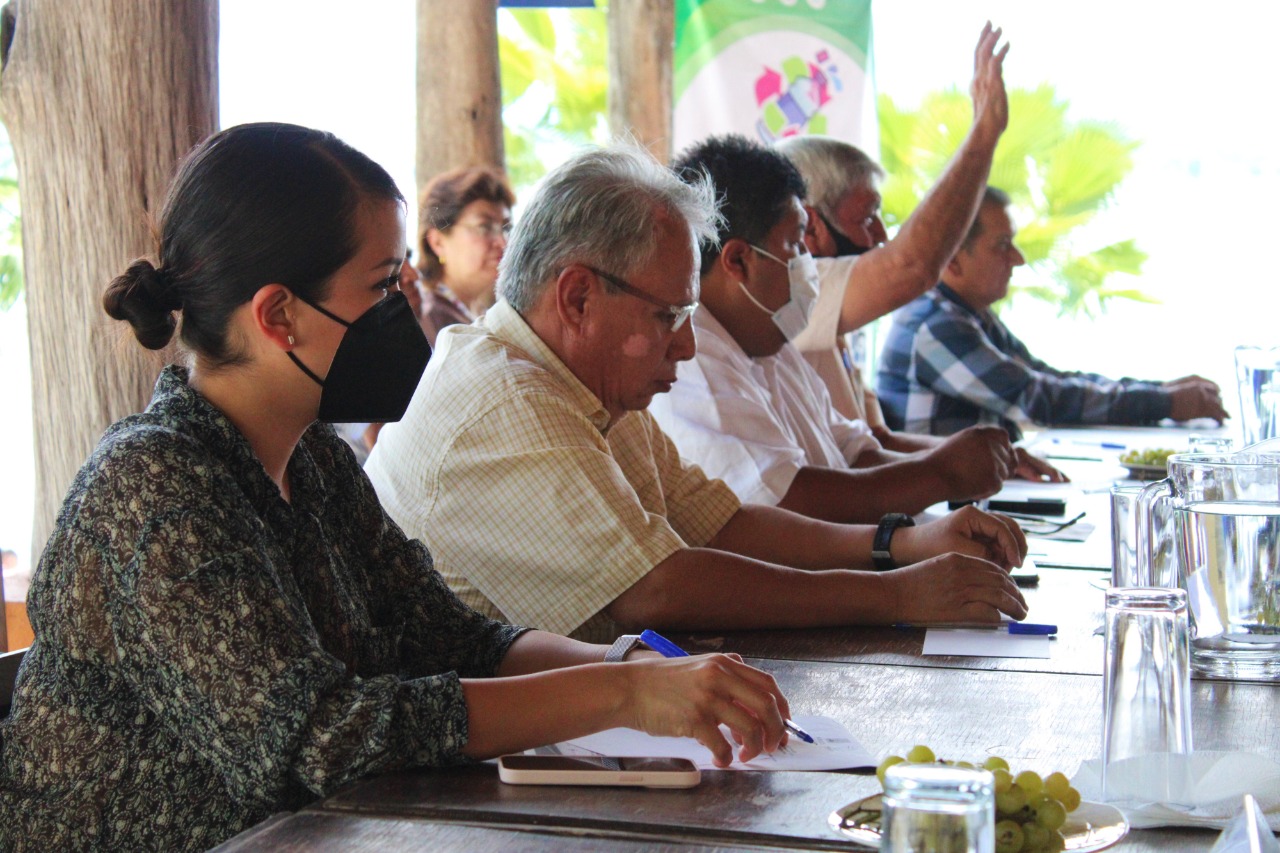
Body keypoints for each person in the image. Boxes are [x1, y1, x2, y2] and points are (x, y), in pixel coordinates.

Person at [0, 124, 795, 853]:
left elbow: (451, 637)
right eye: (384, 284)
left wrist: (642, 666)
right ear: (279, 315)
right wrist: (622, 692)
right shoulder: (153, 486)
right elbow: (321, 737)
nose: (409, 304)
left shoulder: (314, 460)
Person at [365, 144, 1028, 647]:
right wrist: (895, 593)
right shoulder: (507, 398)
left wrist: (905, 545)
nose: (685, 344)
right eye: (667, 316)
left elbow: (720, 522)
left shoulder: (582, 382)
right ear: (578, 298)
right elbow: (656, 589)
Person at [647, 133, 1046, 525]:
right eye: (794, 245)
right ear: (738, 261)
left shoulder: (768, 340)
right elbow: (789, 503)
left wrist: (954, 465)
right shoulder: (694, 364)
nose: (806, 263)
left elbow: (855, 454)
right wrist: (942, 475)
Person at [778, 23, 1011, 429]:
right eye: (867, 218)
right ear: (811, 227)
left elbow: (876, 443)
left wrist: (974, 452)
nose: (881, 237)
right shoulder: (789, 289)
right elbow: (911, 266)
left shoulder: (835, 322)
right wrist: (984, 134)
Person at [876, 187, 1229, 438]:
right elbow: (1038, 400)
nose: (1018, 258)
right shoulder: (936, 325)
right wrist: (1165, 402)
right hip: (940, 512)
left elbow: (1044, 377)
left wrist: (1160, 390)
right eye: (1002, 245)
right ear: (952, 259)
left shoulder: (966, 313)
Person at [417, 165, 515, 345]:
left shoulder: (481, 314)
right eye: (484, 227)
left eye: (506, 229)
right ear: (437, 242)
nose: (503, 243)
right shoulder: (425, 319)